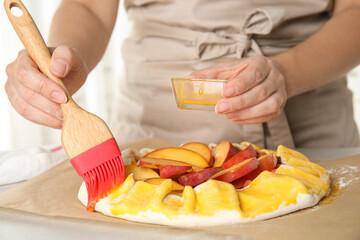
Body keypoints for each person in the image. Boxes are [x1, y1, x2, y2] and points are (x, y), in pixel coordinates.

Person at [4, 0, 360, 148]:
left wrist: (286, 73)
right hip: (152, 139)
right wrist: (65, 56)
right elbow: (90, 8)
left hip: (313, 137)